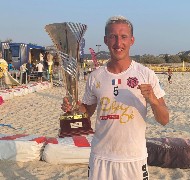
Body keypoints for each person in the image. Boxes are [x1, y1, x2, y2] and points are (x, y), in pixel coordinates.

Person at [61, 15, 169, 179]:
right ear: (105, 40)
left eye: (123, 37)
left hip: (134, 158)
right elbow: (87, 113)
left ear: (132, 40)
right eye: (113, 37)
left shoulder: (146, 75)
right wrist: (74, 109)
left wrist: (153, 100)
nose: (118, 43)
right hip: (101, 157)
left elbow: (164, 119)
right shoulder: (95, 76)